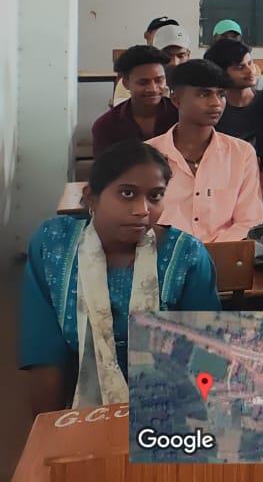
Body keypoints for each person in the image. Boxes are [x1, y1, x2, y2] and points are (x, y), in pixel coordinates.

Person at [20, 140, 221, 413]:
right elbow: (44, 353)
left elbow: (206, 353)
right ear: (92, 197)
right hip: (82, 407)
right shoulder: (55, 244)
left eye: (155, 196)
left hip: (172, 407)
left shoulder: (186, 255)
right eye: (127, 194)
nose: (142, 209)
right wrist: (52, 431)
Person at [146, 59, 263, 241]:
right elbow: (141, 217)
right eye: (204, 94)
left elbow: (249, 220)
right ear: (176, 100)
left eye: (221, 94)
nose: (216, 103)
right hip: (163, 253)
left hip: (224, 254)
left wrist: (207, 253)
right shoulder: (147, 154)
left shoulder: (241, 153)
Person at [92, 45, 179, 157]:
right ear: (126, 83)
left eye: (159, 80)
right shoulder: (106, 126)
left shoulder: (180, 115)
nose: (153, 89)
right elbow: (104, 167)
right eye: (143, 82)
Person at [204, 37, 258, 145]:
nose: (250, 71)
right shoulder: (214, 110)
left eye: (250, 63)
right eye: (240, 67)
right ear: (221, 72)